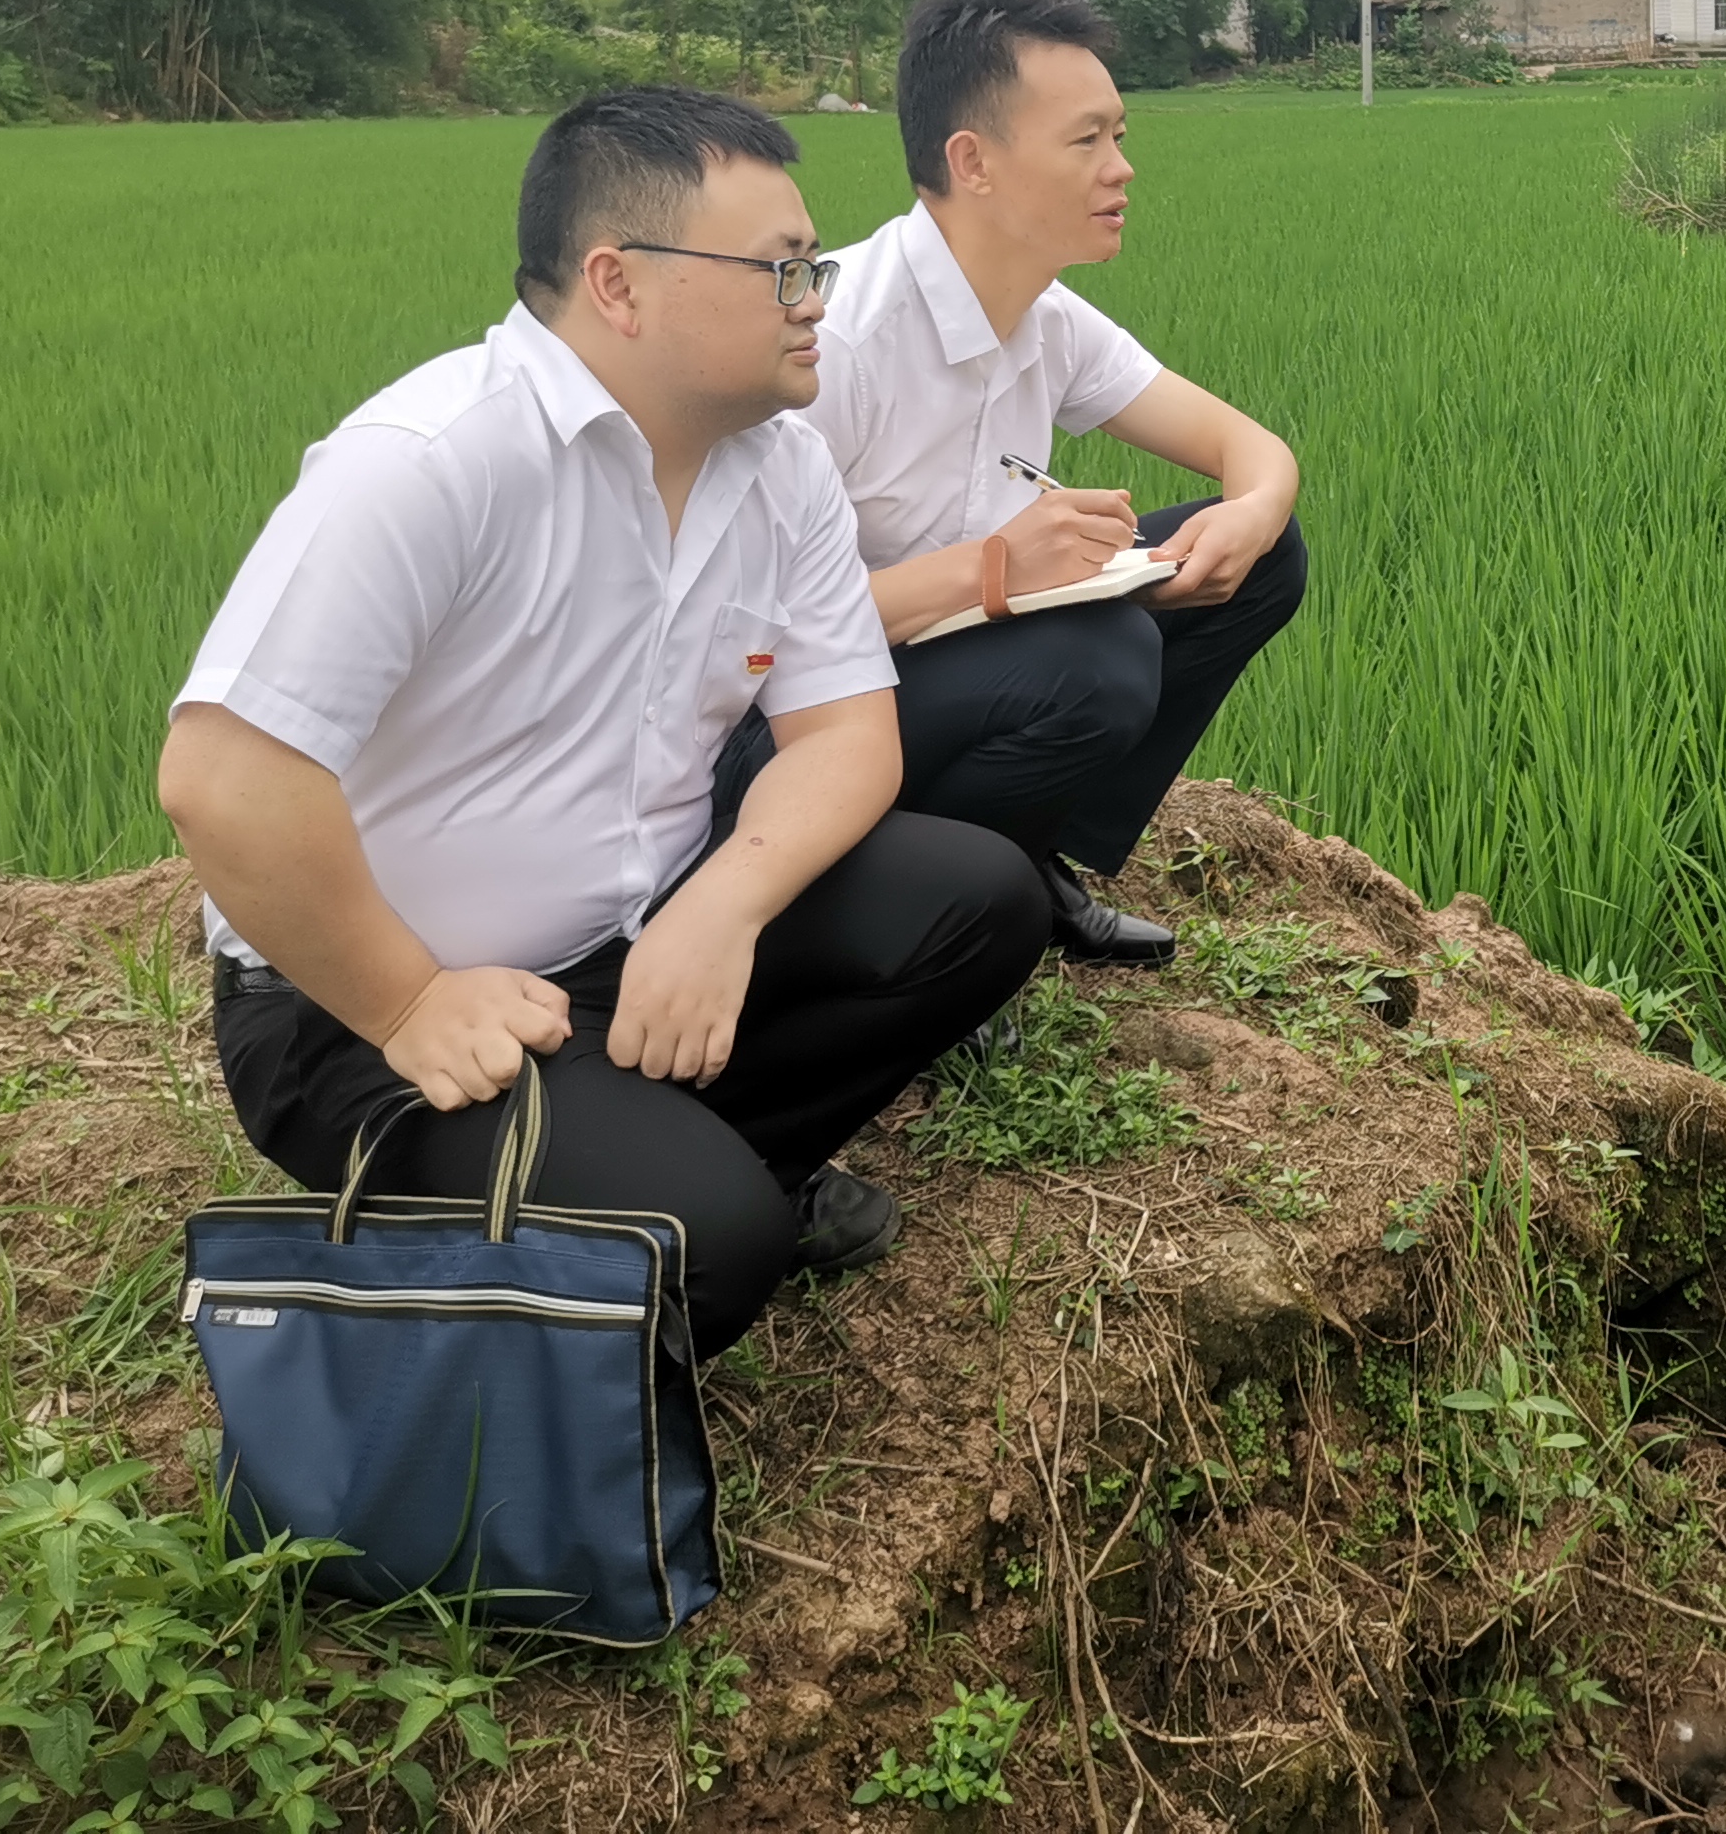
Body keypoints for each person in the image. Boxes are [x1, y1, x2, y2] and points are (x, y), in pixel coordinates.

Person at [160, 89, 1055, 1357]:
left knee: (978, 899)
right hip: (366, 1014)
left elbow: (851, 735)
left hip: (626, 938)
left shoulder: (779, 466)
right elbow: (222, 778)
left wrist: (723, 905)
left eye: (820, 266)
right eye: (784, 270)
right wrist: (409, 1001)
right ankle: (654, 1202)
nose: (818, 300)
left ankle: (709, 1157)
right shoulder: (430, 460)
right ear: (619, 285)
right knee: (710, 1248)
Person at [796, 0, 1306, 971]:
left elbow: (1251, 452)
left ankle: (1031, 859)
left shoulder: (1045, 315)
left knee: (1266, 556)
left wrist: (1253, 512)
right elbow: (745, 640)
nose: (1121, 168)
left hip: (979, 644)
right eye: (1087, 141)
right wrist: (995, 572)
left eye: (1119, 136)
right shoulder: (839, 345)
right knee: (1102, 661)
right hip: (824, 701)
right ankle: (931, 913)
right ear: (973, 161)